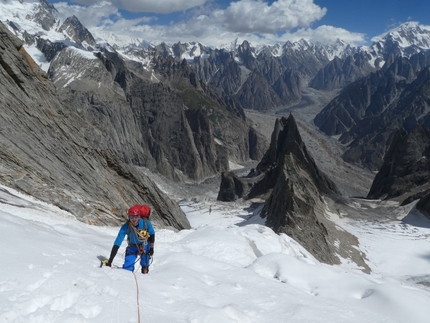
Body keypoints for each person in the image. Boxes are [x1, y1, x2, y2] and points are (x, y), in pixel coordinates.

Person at [105, 204, 155, 274]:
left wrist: (152, 248)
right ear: (129, 217)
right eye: (132, 217)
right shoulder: (126, 227)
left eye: (136, 217)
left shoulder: (146, 223)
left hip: (145, 245)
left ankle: (145, 270)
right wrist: (110, 260)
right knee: (127, 267)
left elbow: (152, 234)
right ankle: (129, 276)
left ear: (139, 216)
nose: (134, 219)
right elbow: (117, 243)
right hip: (133, 246)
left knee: (145, 262)